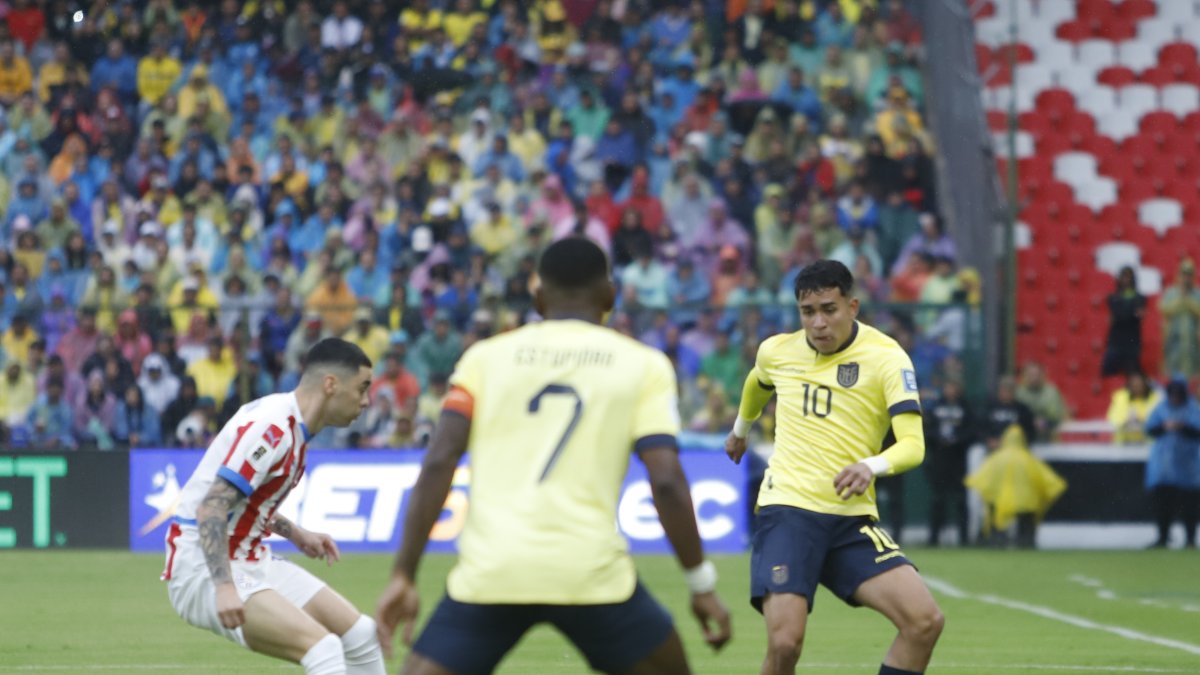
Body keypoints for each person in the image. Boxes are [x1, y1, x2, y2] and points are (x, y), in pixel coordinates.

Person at [375, 237, 732, 674]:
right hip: (591, 574)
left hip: (493, 572)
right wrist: (701, 584)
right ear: (611, 295)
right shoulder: (642, 365)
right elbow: (667, 481)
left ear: (538, 295)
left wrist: (404, 575)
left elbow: (438, 460)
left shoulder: (484, 359)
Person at [724, 259, 943, 675]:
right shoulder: (777, 350)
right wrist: (740, 429)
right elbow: (757, 382)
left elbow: (913, 446)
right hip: (788, 511)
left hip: (850, 519)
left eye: (829, 309)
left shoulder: (887, 358)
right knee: (785, 643)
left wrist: (871, 465)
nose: (818, 323)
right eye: (808, 312)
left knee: (924, 622)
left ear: (853, 306)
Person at [162, 338, 385, 675]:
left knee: (361, 636)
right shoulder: (273, 428)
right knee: (324, 650)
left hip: (250, 557)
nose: (367, 401)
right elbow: (211, 507)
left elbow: (247, 500)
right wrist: (223, 587)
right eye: (362, 388)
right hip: (203, 567)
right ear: (330, 385)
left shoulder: (292, 427)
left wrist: (295, 533)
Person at [1143, 378, 1200, 549]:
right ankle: (1163, 537)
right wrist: (1165, 426)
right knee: (1163, 504)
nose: (1174, 398)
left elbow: (1197, 431)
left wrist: (1181, 426)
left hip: (1188, 464)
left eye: (1178, 395)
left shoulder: (1192, 409)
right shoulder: (1161, 408)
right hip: (1163, 467)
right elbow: (1150, 429)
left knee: (1190, 504)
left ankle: (1190, 539)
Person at [924, 379, 975, 546]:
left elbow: (971, 430)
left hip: (958, 459)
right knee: (938, 499)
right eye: (948, 387)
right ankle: (933, 538)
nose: (950, 391)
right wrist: (939, 439)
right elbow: (927, 429)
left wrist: (957, 440)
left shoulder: (965, 407)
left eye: (954, 387)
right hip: (939, 458)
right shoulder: (936, 407)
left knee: (961, 499)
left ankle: (964, 538)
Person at [1101, 266, 1145, 377]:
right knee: (1107, 372)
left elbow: (1121, 316)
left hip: (1132, 342)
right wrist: (1131, 313)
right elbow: (1130, 315)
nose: (1126, 280)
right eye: (1124, 277)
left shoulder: (1140, 298)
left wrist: (1121, 315)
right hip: (1116, 341)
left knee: (1133, 374)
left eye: (1129, 277)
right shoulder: (1113, 297)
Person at [1106, 371, 1161, 445]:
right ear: (1129, 386)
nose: (1137, 388)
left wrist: (1140, 420)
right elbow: (1113, 417)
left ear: (1145, 385)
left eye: (1140, 385)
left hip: (1147, 441)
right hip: (1124, 441)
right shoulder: (1121, 397)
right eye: (1134, 386)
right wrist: (1126, 421)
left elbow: (1157, 419)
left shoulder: (1155, 398)